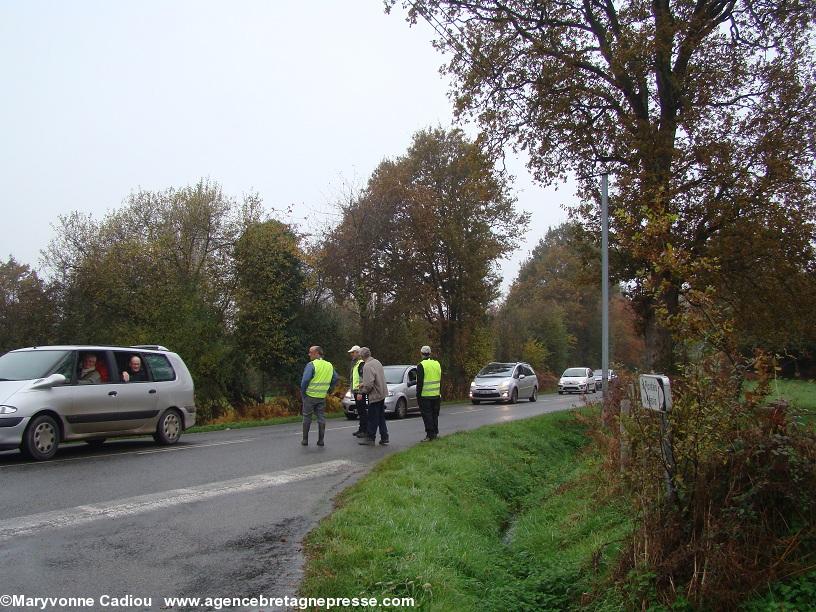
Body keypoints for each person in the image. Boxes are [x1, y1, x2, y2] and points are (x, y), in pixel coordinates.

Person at [300, 345, 338, 447]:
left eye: (310, 352)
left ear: (317, 353)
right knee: (321, 417)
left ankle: (305, 440)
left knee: (307, 417)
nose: (309, 354)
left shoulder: (311, 365)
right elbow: (335, 378)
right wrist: (329, 389)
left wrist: (303, 392)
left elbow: (305, 380)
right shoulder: (329, 365)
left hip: (310, 395)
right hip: (321, 396)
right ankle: (321, 440)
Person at [356, 346, 388, 446]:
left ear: (361, 356)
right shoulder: (377, 362)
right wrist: (364, 384)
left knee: (372, 417)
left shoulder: (367, 366)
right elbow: (376, 378)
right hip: (382, 392)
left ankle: (370, 438)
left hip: (375, 395)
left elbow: (369, 384)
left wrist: (361, 392)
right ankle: (384, 437)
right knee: (381, 417)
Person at [416, 345, 442, 441]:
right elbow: (440, 379)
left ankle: (429, 435)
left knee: (427, 416)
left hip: (425, 395)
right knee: (435, 415)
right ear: (430, 353)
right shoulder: (437, 364)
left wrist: (418, 395)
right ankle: (435, 433)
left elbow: (420, 382)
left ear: (421, 354)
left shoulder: (421, 365)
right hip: (436, 394)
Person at [347, 345, 368, 438]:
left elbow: (362, 378)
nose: (351, 354)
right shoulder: (355, 363)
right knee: (360, 411)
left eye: (353, 352)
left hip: (360, 391)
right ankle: (361, 429)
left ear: (357, 353)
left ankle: (365, 430)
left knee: (362, 411)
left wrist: (360, 392)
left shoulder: (361, 363)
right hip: (356, 390)